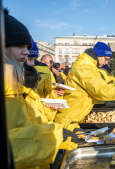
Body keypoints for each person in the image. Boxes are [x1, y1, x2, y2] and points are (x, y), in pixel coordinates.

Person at [3, 9, 69, 169]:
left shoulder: (20, 82)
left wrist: (53, 106)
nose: (26, 51)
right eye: (19, 45)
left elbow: (34, 120)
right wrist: (55, 136)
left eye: (27, 46)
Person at [54, 42, 115, 130]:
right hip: (68, 119)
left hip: (73, 118)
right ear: (99, 55)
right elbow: (102, 91)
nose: (106, 62)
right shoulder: (84, 67)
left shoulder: (90, 67)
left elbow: (105, 82)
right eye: (105, 59)